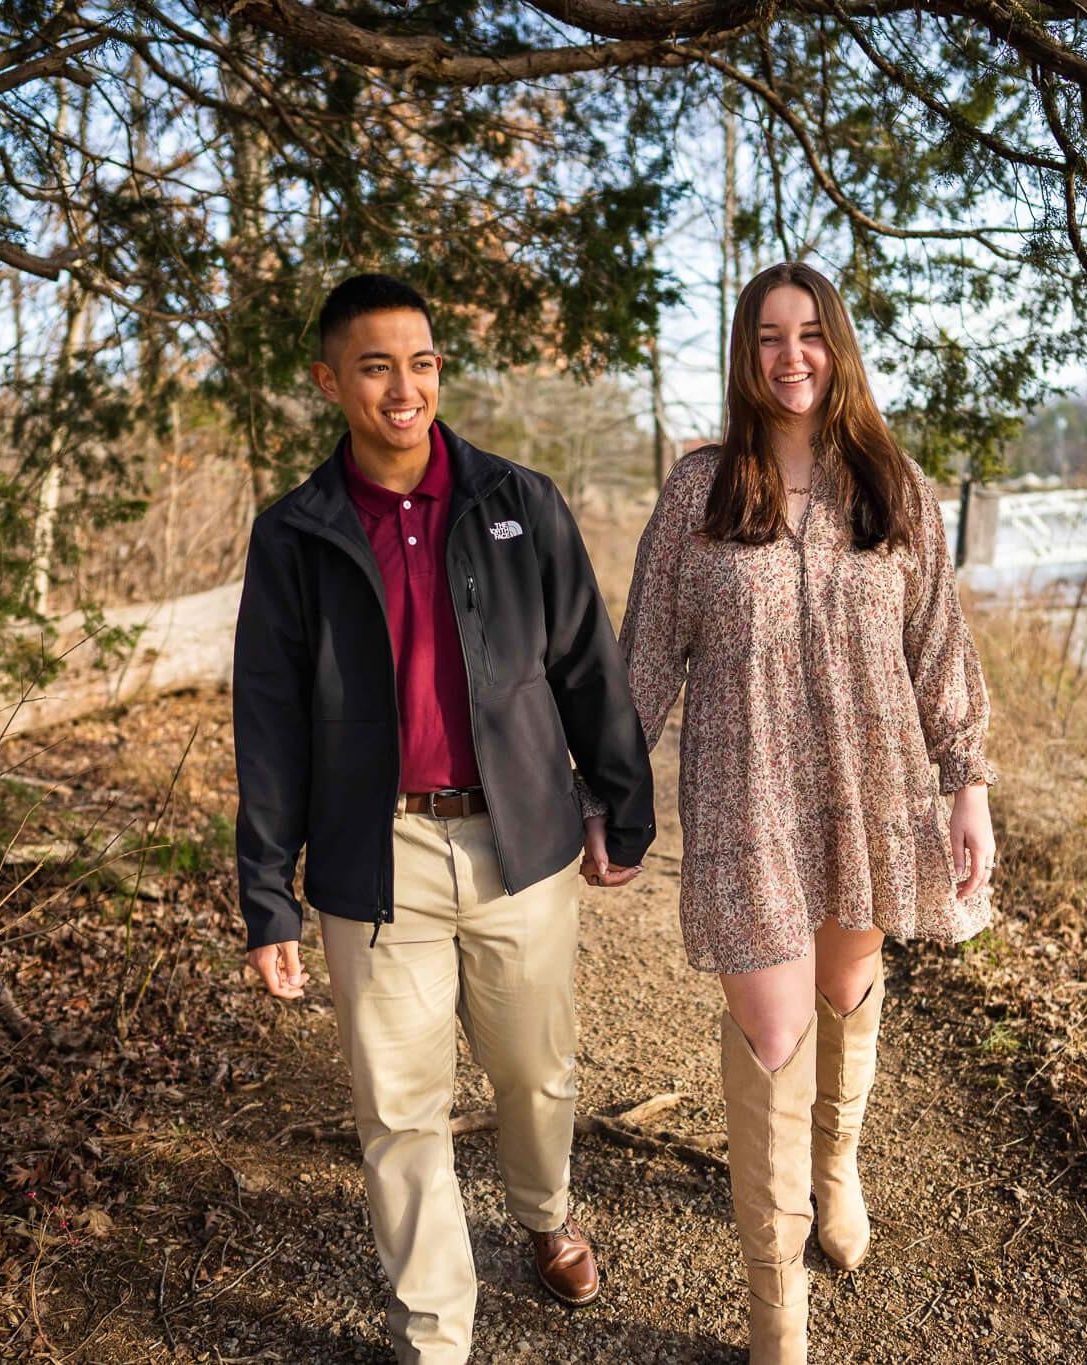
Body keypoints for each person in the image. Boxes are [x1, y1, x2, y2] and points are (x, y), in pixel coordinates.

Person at [231, 273, 656, 1364]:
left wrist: (619, 796)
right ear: (329, 382)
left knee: (533, 1070)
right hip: (377, 858)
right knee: (399, 1107)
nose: (403, 386)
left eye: (419, 362)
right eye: (375, 366)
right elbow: (269, 720)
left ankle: (543, 1212)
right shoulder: (296, 534)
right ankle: (436, 1330)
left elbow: (585, 663)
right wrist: (267, 895)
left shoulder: (519, 502)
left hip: (519, 840)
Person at [614, 262, 996, 1364]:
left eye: (810, 335)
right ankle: (774, 1306)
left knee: (842, 990)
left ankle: (835, 1163)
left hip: (868, 795)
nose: (791, 356)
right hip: (744, 802)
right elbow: (643, 659)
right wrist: (608, 792)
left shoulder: (890, 484)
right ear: (744, 355)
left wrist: (964, 782)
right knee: (773, 1029)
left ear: (837, 350)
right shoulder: (699, 491)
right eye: (769, 337)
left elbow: (937, 648)